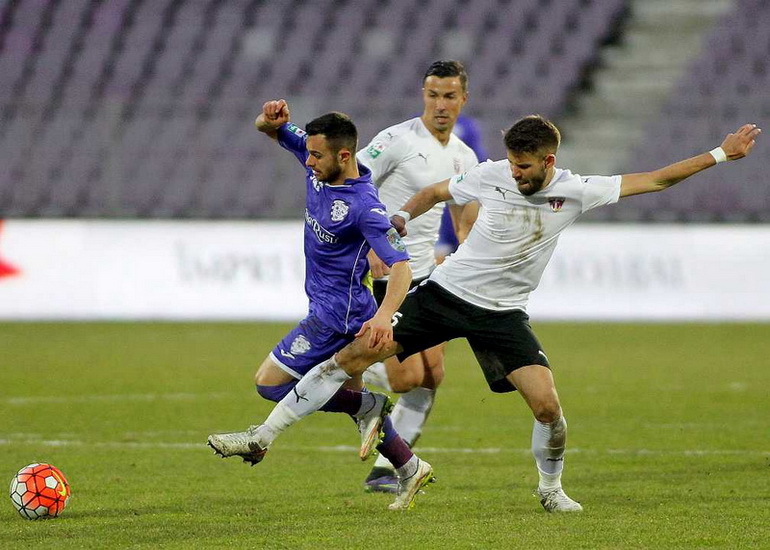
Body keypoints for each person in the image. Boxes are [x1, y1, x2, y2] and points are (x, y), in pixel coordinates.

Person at [211, 116, 760, 513]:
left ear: (548, 161)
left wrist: (719, 154)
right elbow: (433, 191)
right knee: (355, 355)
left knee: (547, 408)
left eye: (524, 168)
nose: (515, 175)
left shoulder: (576, 191)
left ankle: (550, 489)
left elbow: (657, 179)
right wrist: (401, 215)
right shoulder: (493, 173)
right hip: (446, 294)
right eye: (513, 165)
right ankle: (262, 436)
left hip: (502, 315)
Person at [207, 99, 435, 511]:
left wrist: (384, 317)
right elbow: (269, 128)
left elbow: (401, 266)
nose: (308, 161)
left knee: (270, 382)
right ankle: (410, 467)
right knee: (356, 408)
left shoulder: (365, 206)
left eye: (316, 155)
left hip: (339, 318)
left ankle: (263, 437)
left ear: (343, 156)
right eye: (308, 152)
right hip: (332, 309)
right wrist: (270, 121)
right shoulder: (317, 164)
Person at [356, 60, 479, 492]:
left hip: (427, 272)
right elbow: (352, 181)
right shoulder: (396, 139)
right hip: (387, 269)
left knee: (432, 376)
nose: (440, 105)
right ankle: (334, 366)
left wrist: (470, 255)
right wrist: (371, 241)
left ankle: (389, 470)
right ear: (422, 96)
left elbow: (464, 219)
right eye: (432, 95)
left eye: (449, 96)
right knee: (405, 377)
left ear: (463, 98)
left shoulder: (465, 156)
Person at [434, 113, 488, 264]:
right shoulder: (419, 125)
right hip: (439, 213)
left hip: (463, 205)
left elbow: (479, 165)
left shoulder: (468, 126)